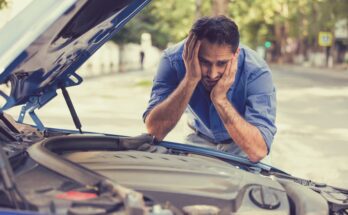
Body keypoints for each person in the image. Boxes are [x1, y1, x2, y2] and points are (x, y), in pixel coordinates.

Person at [143, 16, 276, 162]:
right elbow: (154, 131)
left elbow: (258, 150)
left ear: (235, 54)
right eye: (204, 62)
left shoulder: (256, 71)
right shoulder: (172, 60)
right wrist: (190, 79)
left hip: (243, 144)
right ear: (190, 50)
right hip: (199, 139)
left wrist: (220, 100)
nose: (212, 74)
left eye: (221, 63)